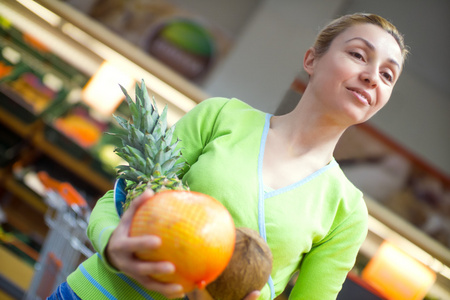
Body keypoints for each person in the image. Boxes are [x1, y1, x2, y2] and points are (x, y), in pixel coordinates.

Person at [48, 12, 408, 300]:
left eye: (388, 75)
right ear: (312, 59)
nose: (372, 77)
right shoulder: (221, 116)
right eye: (359, 55)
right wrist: (113, 246)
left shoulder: (346, 211)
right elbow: (118, 199)